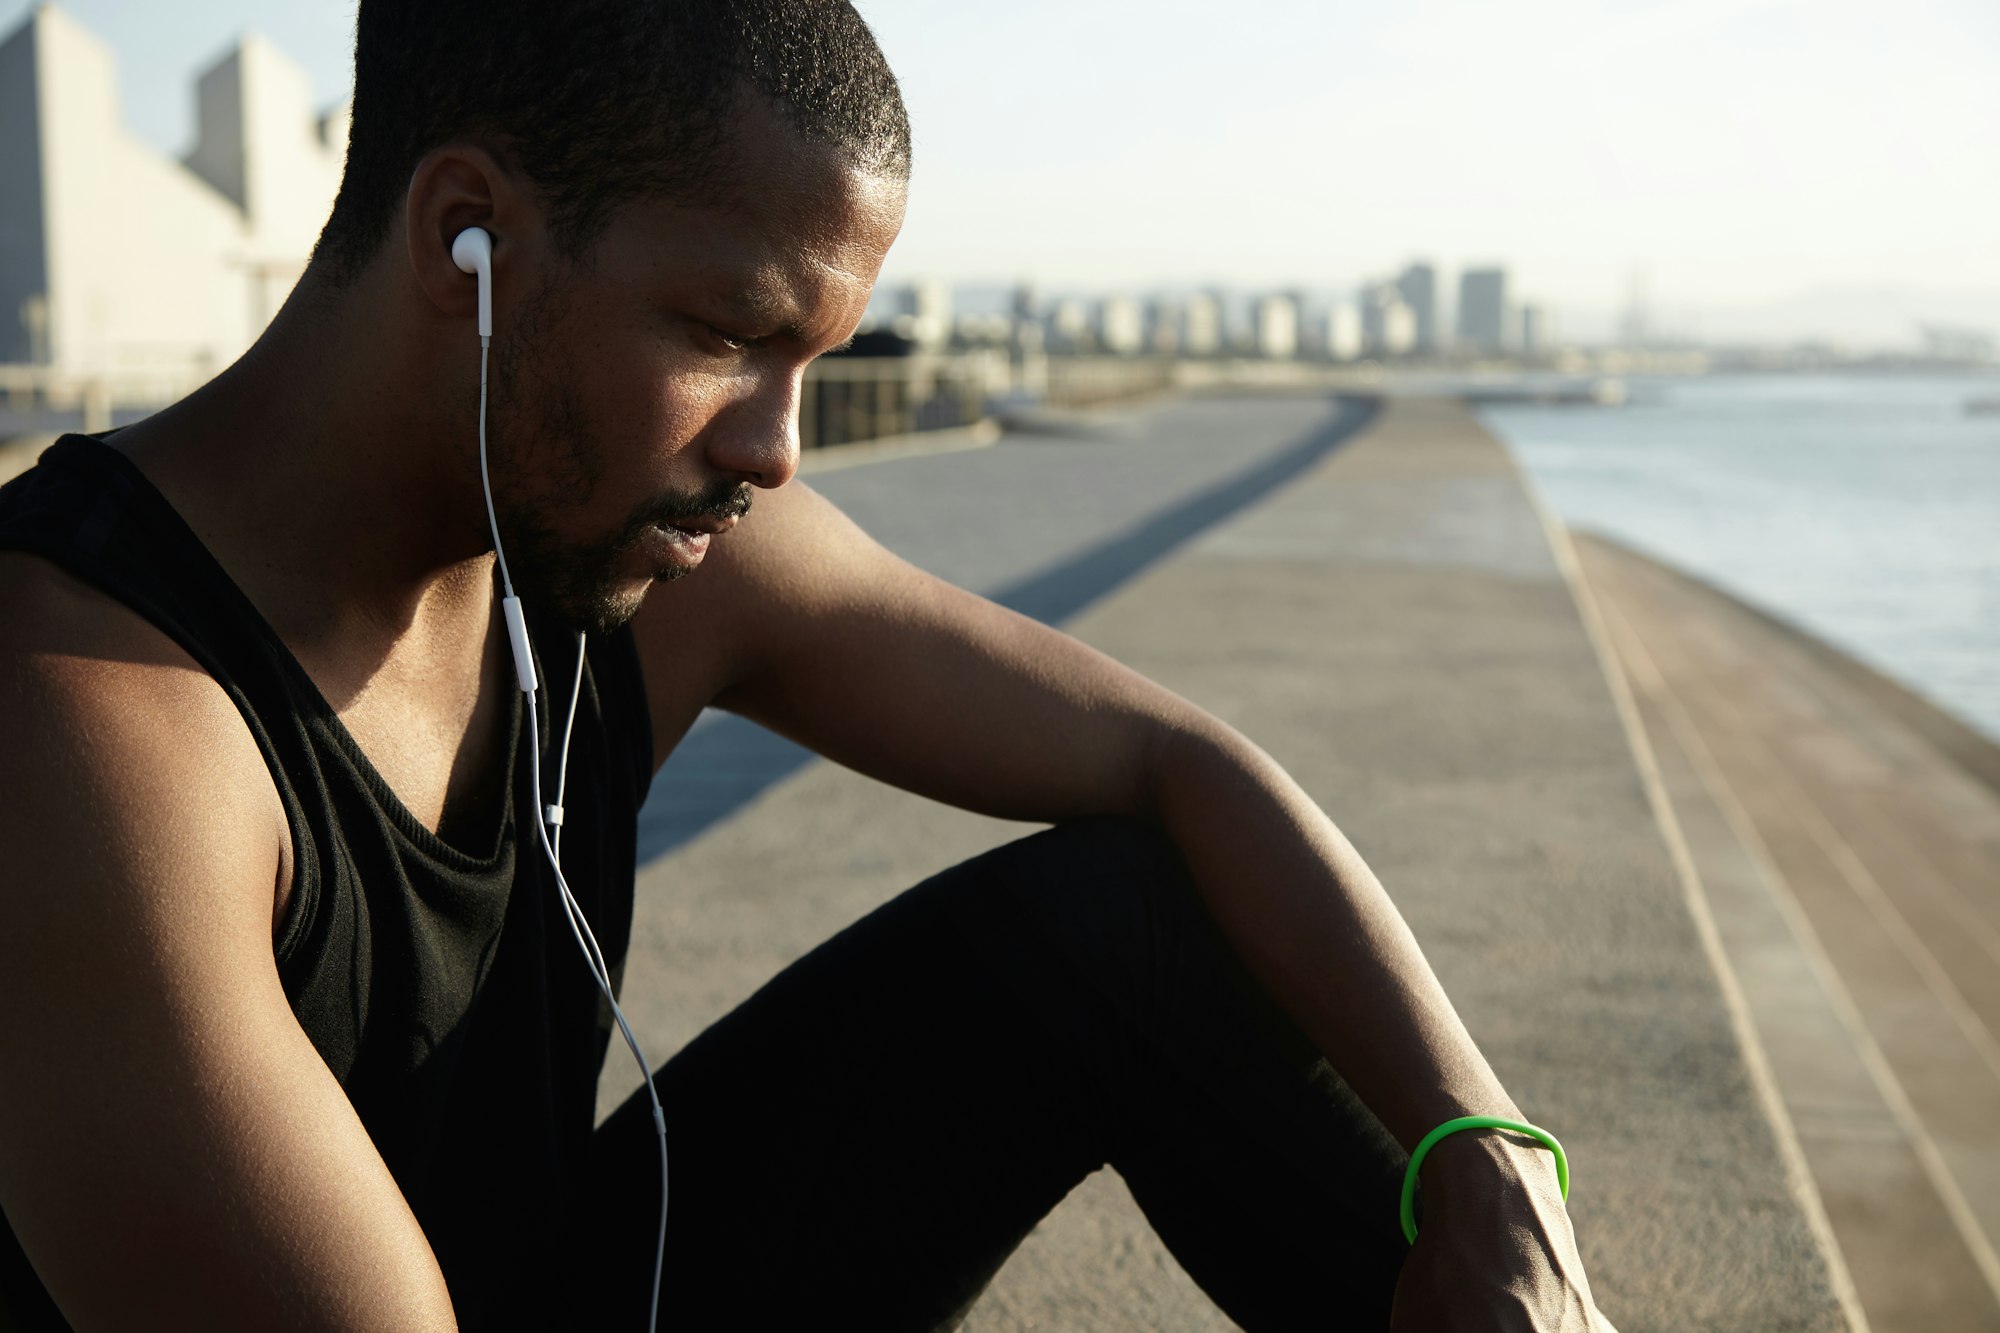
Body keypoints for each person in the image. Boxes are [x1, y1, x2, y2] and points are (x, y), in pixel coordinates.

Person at [0, 1, 1617, 1328]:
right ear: (468, 236)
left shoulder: (629, 542)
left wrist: (1486, 1150)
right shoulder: (85, 715)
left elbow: (1178, 767)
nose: (776, 451)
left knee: (1126, 923)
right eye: (729, 334)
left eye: (812, 362)